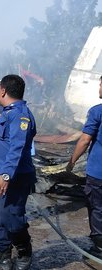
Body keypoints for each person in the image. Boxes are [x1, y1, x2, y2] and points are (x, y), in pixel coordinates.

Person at [0, 74, 37, 270]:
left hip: (14, 177)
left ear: (3, 91)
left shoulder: (20, 116)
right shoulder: (8, 113)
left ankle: (24, 251)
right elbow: (0, 143)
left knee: (10, 216)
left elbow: (17, 148)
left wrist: (5, 175)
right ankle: (2, 255)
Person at [66, 75, 102, 257]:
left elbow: (85, 140)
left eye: (101, 84)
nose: (99, 88)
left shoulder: (98, 111)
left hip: (98, 173)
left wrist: (71, 162)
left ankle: (99, 247)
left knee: (97, 208)